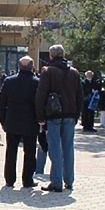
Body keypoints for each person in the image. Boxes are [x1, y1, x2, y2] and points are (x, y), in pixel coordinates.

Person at [35, 45, 83, 193]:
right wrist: (77, 115)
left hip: (53, 115)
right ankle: (69, 180)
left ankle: (56, 182)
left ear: (51, 56)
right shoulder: (74, 72)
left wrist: (40, 117)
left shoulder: (47, 71)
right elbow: (80, 96)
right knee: (68, 147)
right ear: (63, 55)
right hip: (70, 115)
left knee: (55, 148)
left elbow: (41, 95)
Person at [0, 56, 39, 189]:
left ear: (19, 67)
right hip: (31, 123)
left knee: (11, 152)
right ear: (32, 68)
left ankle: (9, 180)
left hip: (12, 122)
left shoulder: (9, 81)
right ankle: (27, 180)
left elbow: (1, 103)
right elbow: (39, 104)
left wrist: (3, 121)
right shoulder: (37, 82)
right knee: (30, 153)